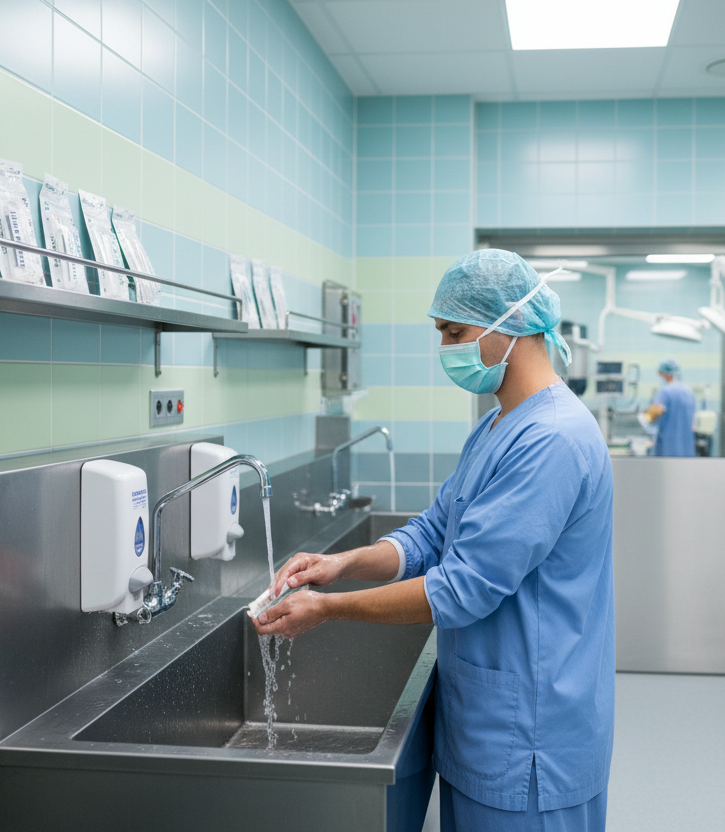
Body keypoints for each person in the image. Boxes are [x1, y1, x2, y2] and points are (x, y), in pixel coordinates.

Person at [253, 249, 615, 831]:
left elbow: (463, 588)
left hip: (532, 741)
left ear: (510, 326)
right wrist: (340, 563)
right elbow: (431, 533)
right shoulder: (499, 424)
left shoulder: (552, 440)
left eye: (455, 331)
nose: (446, 347)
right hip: (490, 722)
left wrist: (327, 609)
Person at [645, 358, 696, 457]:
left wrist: (646, 418)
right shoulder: (689, 392)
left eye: (661, 374)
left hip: (669, 448)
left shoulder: (666, 392)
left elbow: (654, 412)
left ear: (666, 374)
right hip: (687, 449)